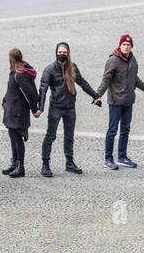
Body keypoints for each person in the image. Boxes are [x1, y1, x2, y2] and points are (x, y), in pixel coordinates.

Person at [38, 41, 100, 176]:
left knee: (69, 136)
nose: (62, 55)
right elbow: (43, 89)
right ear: (56, 53)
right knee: (50, 136)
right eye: (60, 52)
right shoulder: (49, 69)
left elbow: (82, 82)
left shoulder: (72, 67)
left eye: (64, 53)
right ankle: (45, 164)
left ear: (68, 54)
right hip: (56, 108)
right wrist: (40, 108)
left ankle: (69, 163)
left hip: (70, 108)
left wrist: (95, 96)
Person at [97, 34, 144, 169]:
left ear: (131, 46)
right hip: (116, 101)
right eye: (124, 44)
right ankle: (108, 159)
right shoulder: (113, 61)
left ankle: (122, 157)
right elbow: (106, 80)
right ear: (119, 45)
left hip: (128, 101)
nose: (126, 47)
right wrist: (97, 95)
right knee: (112, 130)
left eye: (128, 45)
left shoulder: (132, 59)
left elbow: (135, 78)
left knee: (125, 129)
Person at [0, 49, 39, 179]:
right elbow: (10, 89)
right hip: (11, 110)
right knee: (12, 136)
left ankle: (20, 166)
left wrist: (35, 110)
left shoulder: (20, 74)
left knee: (17, 138)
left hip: (18, 112)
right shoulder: (14, 70)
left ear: (12, 59)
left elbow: (30, 94)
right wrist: (5, 100)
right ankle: (14, 163)